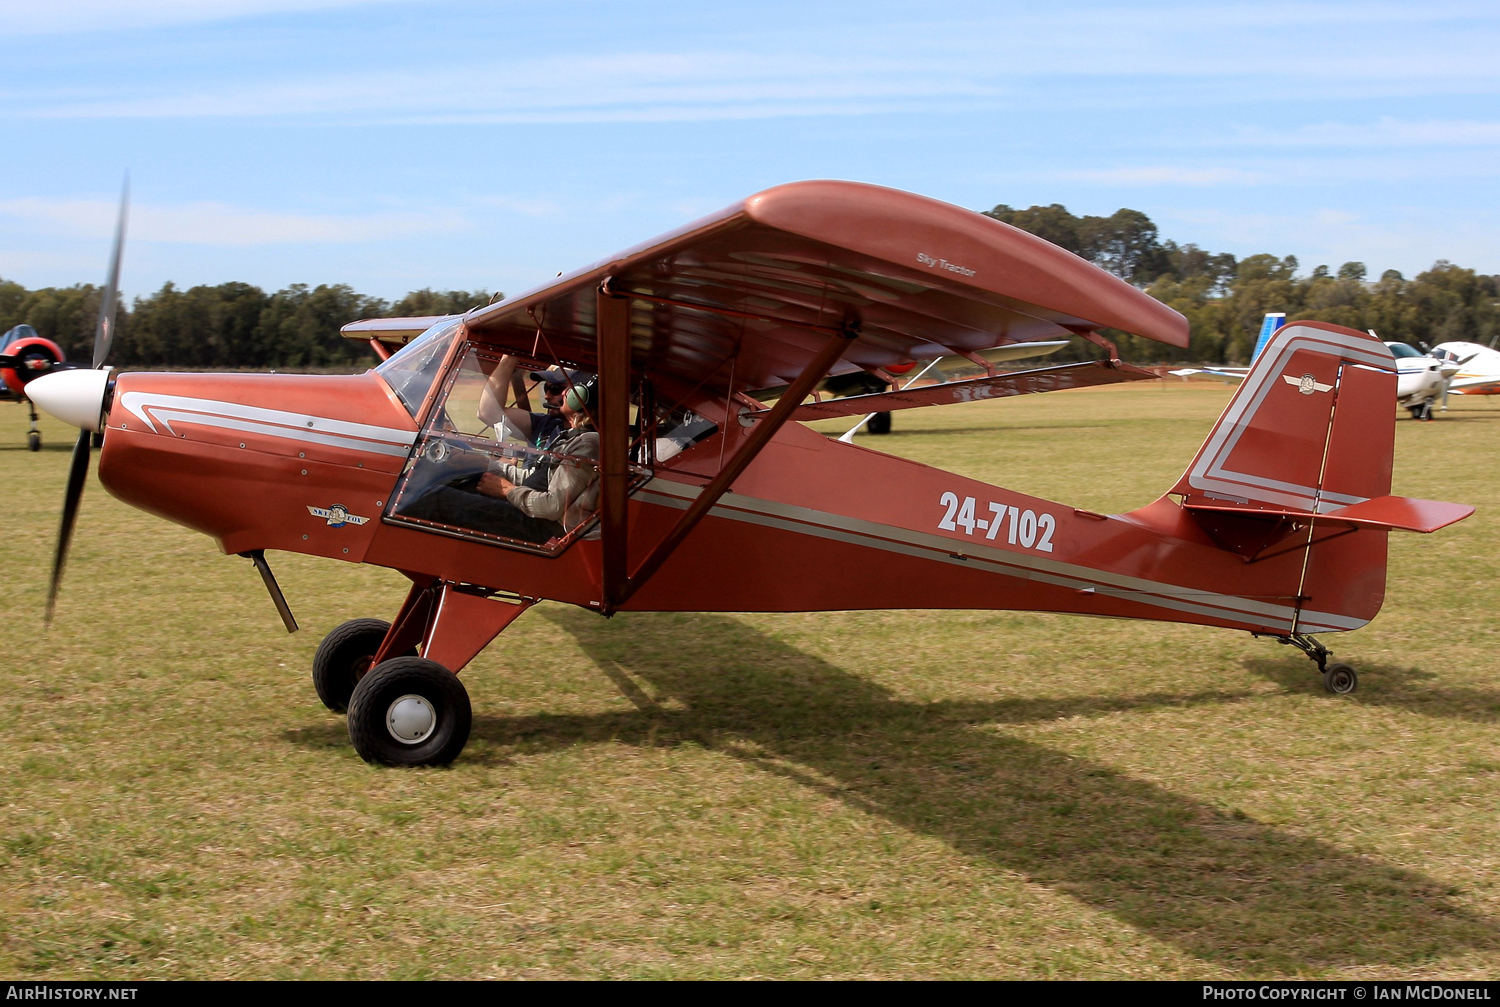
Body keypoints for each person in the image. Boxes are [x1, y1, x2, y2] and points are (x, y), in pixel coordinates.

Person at [400, 375, 600, 545]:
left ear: (581, 398)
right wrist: (484, 465)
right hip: (527, 513)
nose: (561, 394)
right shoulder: (573, 436)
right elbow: (538, 478)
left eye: (565, 390)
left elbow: (552, 507)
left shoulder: (588, 444)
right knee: (460, 485)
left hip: (538, 526)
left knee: (432, 499)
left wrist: (506, 490)